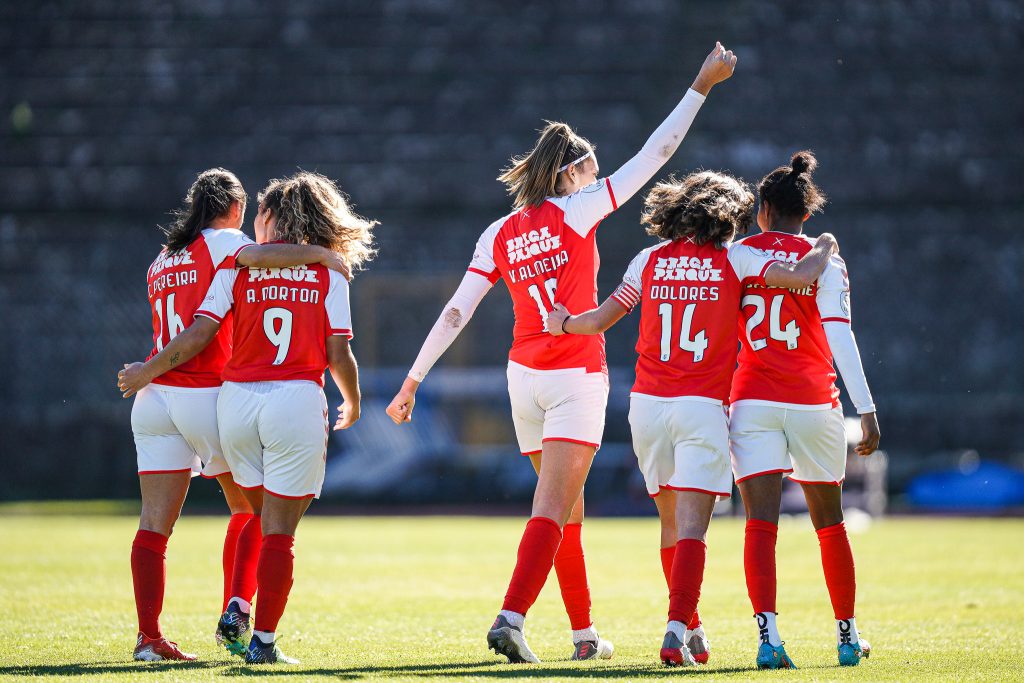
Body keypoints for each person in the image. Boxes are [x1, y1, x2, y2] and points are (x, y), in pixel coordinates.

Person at [385, 43, 738, 664]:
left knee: (567, 509)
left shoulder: (497, 233)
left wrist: (414, 378)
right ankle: (511, 616)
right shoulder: (578, 212)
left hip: (523, 378)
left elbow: (455, 312)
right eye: (591, 168)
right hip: (576, 375)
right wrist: (700, 86)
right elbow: (658, 154)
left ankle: (583, 635)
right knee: (553, 506)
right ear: (570, 173)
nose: (597, 177)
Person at [545, 171, 837, 666]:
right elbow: (802, 276)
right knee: (693, 530)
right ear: (728, 216)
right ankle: (676, 629)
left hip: (648, 408)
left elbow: (597, 320)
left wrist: (563, 323)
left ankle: (694, 629)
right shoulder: (736, 257)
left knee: (668, 522)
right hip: (701, 408)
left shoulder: (648, 260)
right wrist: (825, 243)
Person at [119, 171, 373, 665]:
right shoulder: (235, 247)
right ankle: (241, 618)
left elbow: (194, 323)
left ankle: (149, 638)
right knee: (257, 517)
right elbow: (333, 346)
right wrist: (323, 254)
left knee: (153, 523)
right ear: (237, 209)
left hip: (166, 397)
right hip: (215, 393)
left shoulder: (164, 257)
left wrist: (146, 370)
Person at [729, 151, 880, 669]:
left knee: (760, 526)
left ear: (763, 208)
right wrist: (867, 408)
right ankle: (846, 636)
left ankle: (768, 639)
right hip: (815, 402)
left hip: (752, 402)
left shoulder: (740, 253)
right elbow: (841, 336)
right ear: (807, 215)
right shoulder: (828, 261)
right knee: (830, 525)